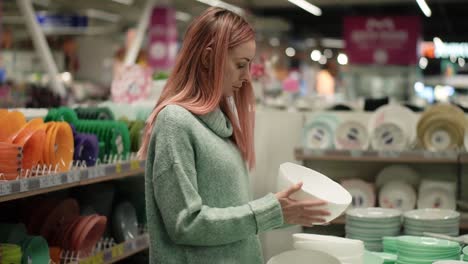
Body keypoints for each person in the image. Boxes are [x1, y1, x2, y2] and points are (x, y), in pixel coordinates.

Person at [139, 7, 330, 264]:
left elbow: (227, 216)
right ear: (208, 59)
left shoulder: (223, 123)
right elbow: (186, 224)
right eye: (240, 65)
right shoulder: (175, 122)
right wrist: (267, 212)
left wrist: (282, 214)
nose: (247, 76)